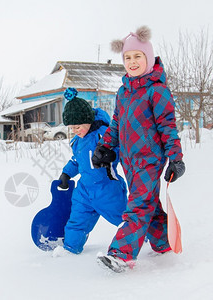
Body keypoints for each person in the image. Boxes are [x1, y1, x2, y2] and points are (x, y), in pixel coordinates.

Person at [92, 25, 186, 272]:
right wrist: (105, 146)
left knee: (138, 206)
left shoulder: (158, 91)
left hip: (150, 160)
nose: (132, 62)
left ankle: (121, 254)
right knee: (149, 204)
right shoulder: (123, 93)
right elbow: (116, 123)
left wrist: (175, 158)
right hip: (129, 161)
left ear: (149, 57)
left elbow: (168, 127)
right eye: (127, 57)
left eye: (137, 56)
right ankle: (164, 243)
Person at [53, 87, 127, 257]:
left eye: (77, 126)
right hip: (84, 190)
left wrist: (111, 154)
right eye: (71, 128)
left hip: (107, 190)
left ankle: (146, 240)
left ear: (88, 121)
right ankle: (70, 251)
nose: (75, 131)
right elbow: (76, 161)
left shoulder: (104, 135)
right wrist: (66, 174)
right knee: (76, 222)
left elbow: (122, 150)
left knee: (125, 220)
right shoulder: (78, 141)